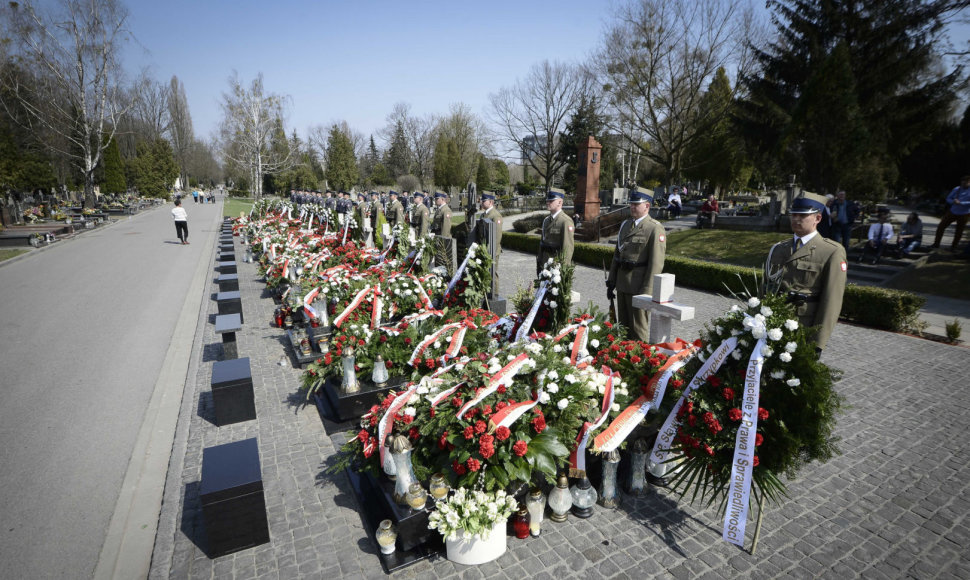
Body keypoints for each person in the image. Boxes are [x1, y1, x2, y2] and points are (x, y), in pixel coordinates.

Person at [763, 192, 847, 352]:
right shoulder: (779, 248)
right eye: (793, 214)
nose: (796, 219)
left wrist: (817, 343)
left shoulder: (831, 252)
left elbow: (832, 301)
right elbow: (765, 287)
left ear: (818, 218)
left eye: (803, 215)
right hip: (771, 324)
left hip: (803, 329)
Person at [606, 188, 666, 342]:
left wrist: (648, 290)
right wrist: (612, 280)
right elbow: (617, 256)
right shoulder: (625, 225)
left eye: (636, 204)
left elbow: (656, 263)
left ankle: (640, 361)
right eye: (631, 204)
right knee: (623, 327)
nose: (632, 207)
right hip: (622, 283)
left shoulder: (654, 228)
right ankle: (623, 357)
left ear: (647, 206)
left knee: (638, 328)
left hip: (639, 286)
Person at [537, 188, 575, 275]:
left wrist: (563, 270)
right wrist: (539, 261)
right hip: (544, 265)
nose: (548, 202)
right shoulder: (546, 220)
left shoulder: (565, 221)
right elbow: (542, 243)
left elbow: (567, 248)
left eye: (551, 200)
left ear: (560, 202)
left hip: (556, 266)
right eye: (547, 200)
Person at [931, 175, 970, 251]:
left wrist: (962, 203)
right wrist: (953, 201)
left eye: (966, 182)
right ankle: (936, 243)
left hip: (965, 213)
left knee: (959, 230)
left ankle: (954, 247)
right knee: (941, 226)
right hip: (953, 211)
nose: (964, 183)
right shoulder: (957, 189)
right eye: (963, 182)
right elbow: (948, 198)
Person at [474, 192, 503, 293]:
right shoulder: (484, 214)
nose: (481, 202)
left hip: (492, 250)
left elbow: (497, 237)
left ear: (490, 202)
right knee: (485, 273)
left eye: (483, 200)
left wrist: (491, 253)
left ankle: (495, 295)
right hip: (484, 249)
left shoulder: (495, 215)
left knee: (492, 273)